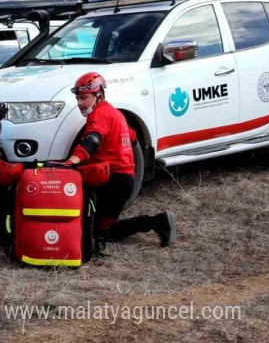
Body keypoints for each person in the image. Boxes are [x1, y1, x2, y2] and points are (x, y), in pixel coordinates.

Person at [47, 72, 176, 247]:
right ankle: (158, 222)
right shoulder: (116, 114)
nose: (79, 103)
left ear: (98, 96)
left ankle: (157, 222)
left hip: (110, 180)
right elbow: (132, 138)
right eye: (77, 98)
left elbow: (92, 140)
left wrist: (72, 161)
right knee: (106, 230)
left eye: (84, 97)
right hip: (125, 181)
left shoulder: (99, 115)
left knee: (87, 230)